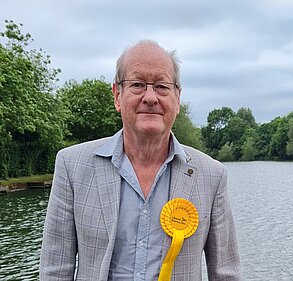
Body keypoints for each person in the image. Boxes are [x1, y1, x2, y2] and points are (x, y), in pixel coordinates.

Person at [40, 40, 242, 280]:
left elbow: (226, 274)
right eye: (137, 85)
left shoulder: (212, 175)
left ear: (177, 98)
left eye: (161, 86)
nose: (150, 97)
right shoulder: (71, 166)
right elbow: (55, 270)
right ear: (117, 95)